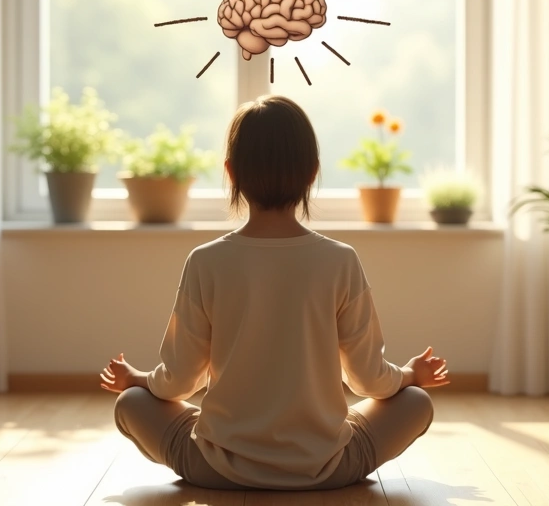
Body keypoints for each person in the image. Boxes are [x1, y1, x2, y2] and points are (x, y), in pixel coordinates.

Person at [99, 95, 450, 491]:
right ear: (312, 173)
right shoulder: (340, 261)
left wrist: (138, 380)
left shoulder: (206, 261)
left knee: (131, 404)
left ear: (231, 172)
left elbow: (179, 383)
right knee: (416, 401)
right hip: (327, 467)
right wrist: (410, 375)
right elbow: (369, 381)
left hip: (216, 466)